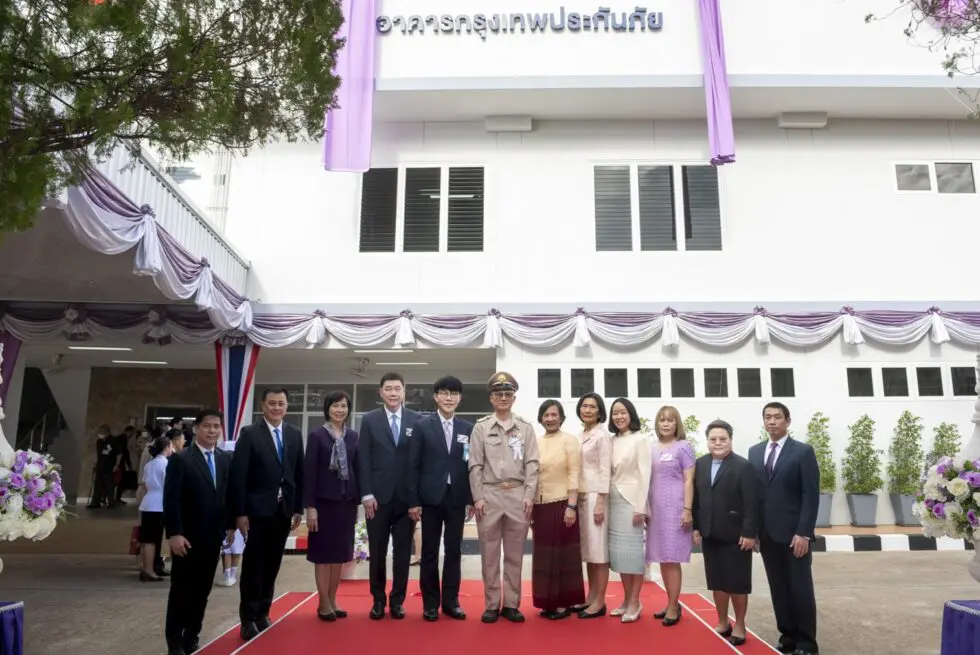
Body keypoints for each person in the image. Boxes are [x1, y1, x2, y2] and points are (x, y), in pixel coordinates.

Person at [228, 388, 305, 641]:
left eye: (281, 403)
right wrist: (240, 513)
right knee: (254, 565)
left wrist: (298, 507)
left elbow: (299, 473)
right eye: (272, 403)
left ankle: (263, 612)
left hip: (283, 511)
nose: (276, 407)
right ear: (263, 405)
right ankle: (248, 618)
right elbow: (238, 477)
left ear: (287, 406)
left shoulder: (294, 434)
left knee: (273, 563)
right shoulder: (250, 434)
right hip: (257, 511)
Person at [468, 372, 540, 624]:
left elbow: (532, 463)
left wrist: (529, 495)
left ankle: (511, 604)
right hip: (489, 495)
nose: (503, 398)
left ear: (514, 398)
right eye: (498, 394)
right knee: (489, 554)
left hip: (517, 496)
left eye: (508, 394)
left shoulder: (525, 427)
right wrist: (478, 496)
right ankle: (491, 604)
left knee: (514, 554)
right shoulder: (481, 427)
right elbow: (475, 464)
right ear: (491, 398)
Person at [748, 402, 820, 655]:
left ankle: (807, 643)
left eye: (777, 417)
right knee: (778, 588)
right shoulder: (755, 452)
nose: (772, 421)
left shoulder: (802, 452)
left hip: (794, 535)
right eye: (767, 417)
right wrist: (754, 531)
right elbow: (755, 495)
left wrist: (804, 533)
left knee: (800, 589)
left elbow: (810, 496)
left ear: (787, 421)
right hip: (768, 535)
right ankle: (787, 636)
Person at [163, 410, 232, 655]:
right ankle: (174, 642)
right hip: (186, 538)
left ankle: (191, 636)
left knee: (202, 591)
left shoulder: (225, 459)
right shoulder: (181, 459)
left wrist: (230, 526)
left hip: (213, 537)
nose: (212, 431)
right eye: (207, 426)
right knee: (181, 590)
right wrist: (174, 533)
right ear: (196, 428)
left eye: (216, 426)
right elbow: (171, 500)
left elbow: (227, 496)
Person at [407, 375, 473, 622]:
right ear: (435, 397)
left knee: (454, 551)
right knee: (430, 552)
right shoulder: (423, 426)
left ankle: (451, 602)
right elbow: (413, 465)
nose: (449, 398)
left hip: (456, 498)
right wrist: (414, 500)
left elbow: (471, 466)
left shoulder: (467, 428)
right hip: (430, 498)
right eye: (444, 393)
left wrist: (470, 498)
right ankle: (430, 603)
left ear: (460, 398)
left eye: (453, 393)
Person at [357, 372, 421, 620]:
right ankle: (377, 600)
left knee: (403, 554)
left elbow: (419, 461)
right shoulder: (370, 420)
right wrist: (366, 493)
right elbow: (363, 459)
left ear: (404, 391)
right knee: (378, 552)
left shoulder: (416, 419)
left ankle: (397, 601)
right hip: (377, 499)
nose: (393, 393)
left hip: (406, 500)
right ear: (381, 392)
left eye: (397, 389)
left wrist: (416, 498)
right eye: (389, 389)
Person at [692, 419, 759, 646]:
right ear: (707, 441)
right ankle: (722, 621)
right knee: (717, 581)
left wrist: (749, 533)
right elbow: (696, 499)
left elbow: (751, 503)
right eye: (713, 439)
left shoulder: (743, 466)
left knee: (737, 582)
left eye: (723, 439)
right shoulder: (700, 464)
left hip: (736, 535)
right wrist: (696, 527)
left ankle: (739, 624)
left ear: (731, 440)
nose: (718, 443)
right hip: (710, 533)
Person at [530, 399, 584, 620]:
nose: (550, 419)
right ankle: (547, 602)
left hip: (562, 504)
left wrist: (571, 506)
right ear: (541, 418)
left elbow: (574, 474)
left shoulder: (569, 441)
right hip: (540, 506)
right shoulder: (535, 441)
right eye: (546, 415)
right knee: (543, 556)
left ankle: (563, 603)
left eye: (554, 415)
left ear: (561, 418)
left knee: (562, 556)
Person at [646, 405, 696, 626]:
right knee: (663, 558)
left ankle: (674, 606)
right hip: (656, 510)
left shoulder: (683, 447)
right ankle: (670, 603)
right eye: (662, 420)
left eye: (670, 420)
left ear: (677, 424)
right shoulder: (651, 447)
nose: (665, 424)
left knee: (672, 558)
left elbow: (689, 480)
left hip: (676, 509)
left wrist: (687, 509)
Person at [606, 397, 651, 623]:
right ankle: (626, 599)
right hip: (612, 500)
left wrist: (640, 507)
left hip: (632, 501)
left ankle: (635, 602)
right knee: (620, 554)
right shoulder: (611, 440)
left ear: (631, 414)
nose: (619, 416)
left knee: (633, 555)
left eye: (623, 412)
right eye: (615, 413)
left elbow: (645, 474)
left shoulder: (640, 439)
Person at [574, 392, 612, 618]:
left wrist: (600, 501)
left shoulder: (602, 436)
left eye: (592, 407)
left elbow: (605, 470)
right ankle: (590, 596)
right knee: (588, 552)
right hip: (580, 497)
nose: (587, 410)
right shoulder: (579, 435)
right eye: (584, 406)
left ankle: (600, 601)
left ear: (599, 412)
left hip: (596, 497)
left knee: (599, 552)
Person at [138, 434, 173, 582]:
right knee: (153, 539)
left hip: (148, 502)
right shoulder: (166, 464)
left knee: (147, 539)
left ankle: (146, 567)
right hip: (159, 504)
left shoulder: (149, 464)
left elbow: (145, 484)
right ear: (167, 447)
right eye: (171, 446)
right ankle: (150, 570)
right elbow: (168, 485)